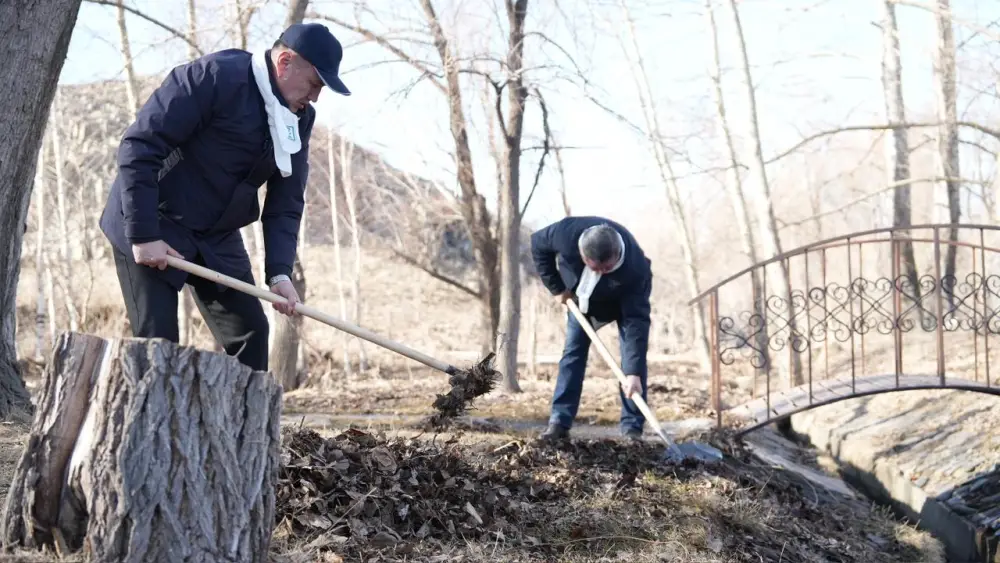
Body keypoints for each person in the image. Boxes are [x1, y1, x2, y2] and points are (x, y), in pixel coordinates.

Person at [99, 23, 351, 371]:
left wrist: (279, 273)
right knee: (158, 344)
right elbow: (139, 146)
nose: (316, 97)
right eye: (314, 84)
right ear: (285, 63)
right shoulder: (214, 76)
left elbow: (286, 202)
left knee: (251, 333)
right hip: (153, 217)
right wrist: (143, 234)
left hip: (216, 234)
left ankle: (243, 411)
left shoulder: (300, 119)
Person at [529, 216, 653, 442]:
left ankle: (632, 429)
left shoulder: (636, 271)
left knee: (632, 366)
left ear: (617, 254)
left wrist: (633, 372)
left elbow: (636, 322)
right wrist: (557, 288)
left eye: (607, 268)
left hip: (622, 302)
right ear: (582, 255)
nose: (601, 272)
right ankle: (559, 422)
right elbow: (537, 243)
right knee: (572, 354)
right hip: (581, 300)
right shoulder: (566, 234)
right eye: (595, 267)